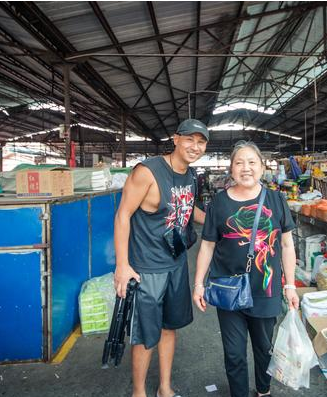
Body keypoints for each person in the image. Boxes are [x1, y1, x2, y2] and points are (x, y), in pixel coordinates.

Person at [193, 141, 299, 397]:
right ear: (231, 168)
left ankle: (263, 390)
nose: (246, 168)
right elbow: (207, 246)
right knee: (234, 353)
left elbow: (286, 245)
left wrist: (290, 285)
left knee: (264, 348)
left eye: (252, 162)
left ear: (262, 167)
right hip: (228, 288)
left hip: (266, 289)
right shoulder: (218, 203)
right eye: (239, 162)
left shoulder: (276, 199)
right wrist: (198, 284)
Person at [113, 119, 209, 397]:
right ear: (175, 139)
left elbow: (190, 212)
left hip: (176, 264)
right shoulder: (148, 171)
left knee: (170, 327)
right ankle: (139, 392)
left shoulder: (191, 176)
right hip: (148, 267)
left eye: (201, 142)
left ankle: (165, 388)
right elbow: (123, 215)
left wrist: (224, 221)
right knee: (146, 334)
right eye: (190, 139)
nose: (195, 146)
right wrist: (122, 265)